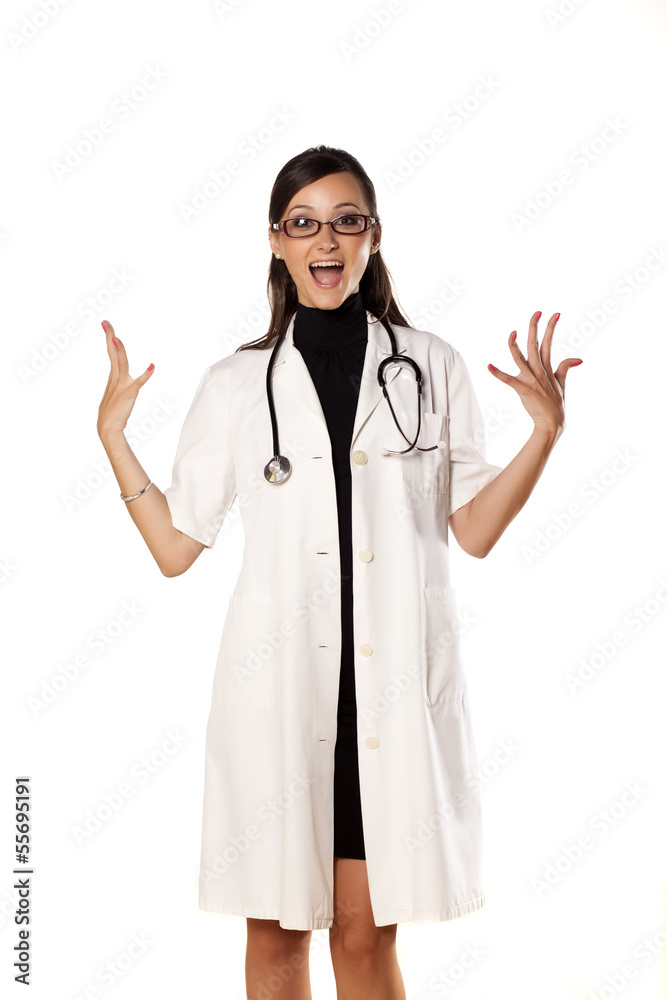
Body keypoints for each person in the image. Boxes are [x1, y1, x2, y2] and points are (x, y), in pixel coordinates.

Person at [97, 144, 582, 1000]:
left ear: (373, 236)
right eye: (304, 223)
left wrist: (542, 436)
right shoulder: (236, 384)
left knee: (362, 938)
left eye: (345, 221)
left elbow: (471, 529)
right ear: (277, 242)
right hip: (276, 693)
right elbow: (175, 549)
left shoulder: (429, 365)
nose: (326, 241)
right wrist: (114, 440)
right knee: (277, 942)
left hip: (387, 698)